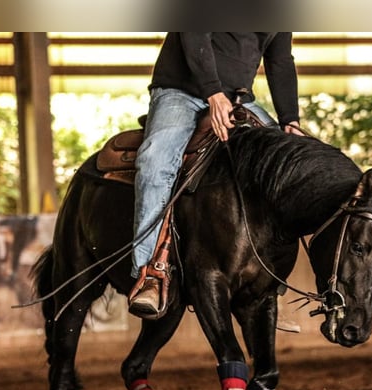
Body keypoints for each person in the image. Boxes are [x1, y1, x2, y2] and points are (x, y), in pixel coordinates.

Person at [128, 33, 302, 320]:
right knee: (155, 162)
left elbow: (280, 59)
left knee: (285, 165)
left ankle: (268, 278)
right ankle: (149, 273)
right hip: (180, 92)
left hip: (237, 99)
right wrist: (213, 92)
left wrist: (290, 119)